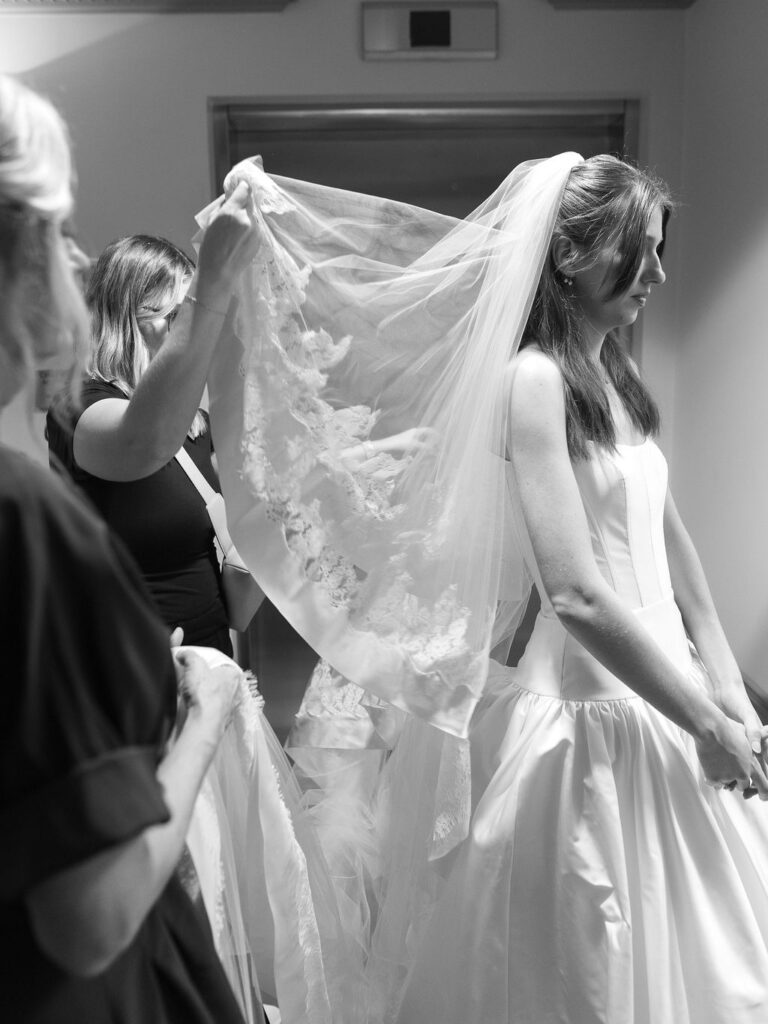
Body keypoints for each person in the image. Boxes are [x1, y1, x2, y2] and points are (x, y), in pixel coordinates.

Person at [199, 152, 768, 1023]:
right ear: (570, 255)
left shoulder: (612, 373)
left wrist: (724, 684)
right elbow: (575, 595)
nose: (657, 273)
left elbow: (670, 538)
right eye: (640, 250)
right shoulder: (533, 381)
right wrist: (704, 721)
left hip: (667, 688)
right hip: (591, 708)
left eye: (660, 250)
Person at [0, 73, 256, 1024]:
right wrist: (202, 719)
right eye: (60, 232)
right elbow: (92, 918)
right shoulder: (28, 508)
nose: (78, 257)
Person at [46, 229, 250, 655]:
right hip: (128, 672)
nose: (196, 334)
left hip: (212, 666)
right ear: (125, 317)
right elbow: (139, 444)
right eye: (180, 316)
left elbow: (234, 603)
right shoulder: (78, 407)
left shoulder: (197, 427)